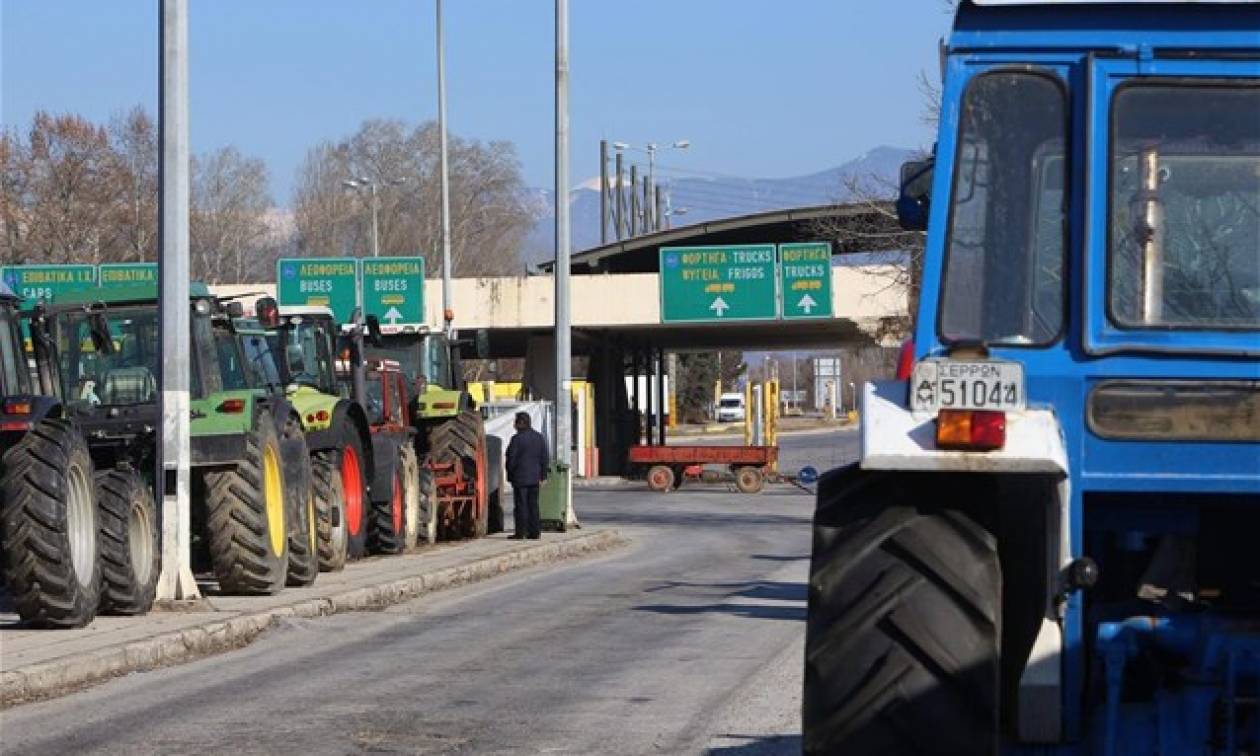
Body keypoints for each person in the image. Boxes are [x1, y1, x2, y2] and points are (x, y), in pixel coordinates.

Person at [505, 411, 548, 539]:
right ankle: (535, 532)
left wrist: (510, 475)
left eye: (515, 422)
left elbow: (511, 459)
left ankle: (521, 532)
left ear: (521, 423)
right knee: (533, 505)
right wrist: (543, 475)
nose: (514, 425)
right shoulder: (539, 437)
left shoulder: (516, 439)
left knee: (521, 506)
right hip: (535, 478)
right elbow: (544, 458)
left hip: (520, 478)